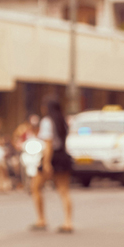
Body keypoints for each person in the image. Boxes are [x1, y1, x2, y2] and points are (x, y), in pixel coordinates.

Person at [30, 97, 73, 232]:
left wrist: (47, 163)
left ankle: (41, 219)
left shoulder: (47, 121)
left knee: (35, 187)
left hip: (52, 156)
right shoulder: (62, 121)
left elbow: (48, 144)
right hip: (62, 156)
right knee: (64, 191)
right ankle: (68, 222)